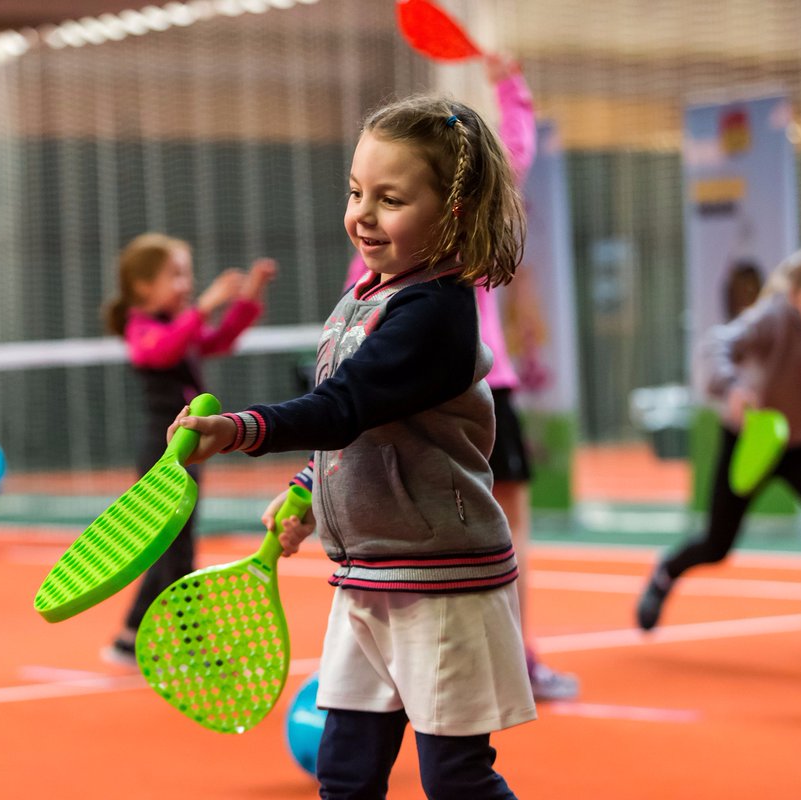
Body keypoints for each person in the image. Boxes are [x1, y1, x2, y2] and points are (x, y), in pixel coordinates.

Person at [168, 93, 535, 799]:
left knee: (457, 780)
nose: (362, 214)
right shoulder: (367, 297)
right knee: (344, 773)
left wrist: (236, 429)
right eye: (355, 192)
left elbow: (343, 407)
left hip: (442, 585)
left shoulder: (436, 313)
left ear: (452, 212)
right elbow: (367, 421)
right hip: (368, 579)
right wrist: (311, 488)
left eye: (390, 199)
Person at [342, 53, 577, 702]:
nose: (366, 208)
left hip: (427, 397)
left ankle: (409, 669)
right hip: (483, 391)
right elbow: (515, 156)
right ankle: (508, 659)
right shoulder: (464, 230)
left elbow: (352, 348)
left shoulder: (379, 259)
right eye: (360, 193)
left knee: (419, 531)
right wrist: (511, 86)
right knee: (504, 528)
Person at [637, 241, 801, 658]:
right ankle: (666, 572)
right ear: (796, 297)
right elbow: (714, 345)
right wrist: (733, 387)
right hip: (750, 439)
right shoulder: (773, 318)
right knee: (718, 543)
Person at [100, 233, 276, 665]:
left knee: (168, 545)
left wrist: (248, 296)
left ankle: (130, 636)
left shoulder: (180, 324)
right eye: (175, 275)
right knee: (177, 549)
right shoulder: (143, 326)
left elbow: (219, 340)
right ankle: (194, 647)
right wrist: (204, 305)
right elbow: (161, 351)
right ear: (143, 286)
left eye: (187, 275)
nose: (186, 284)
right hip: (162, 453)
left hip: (188, 448)